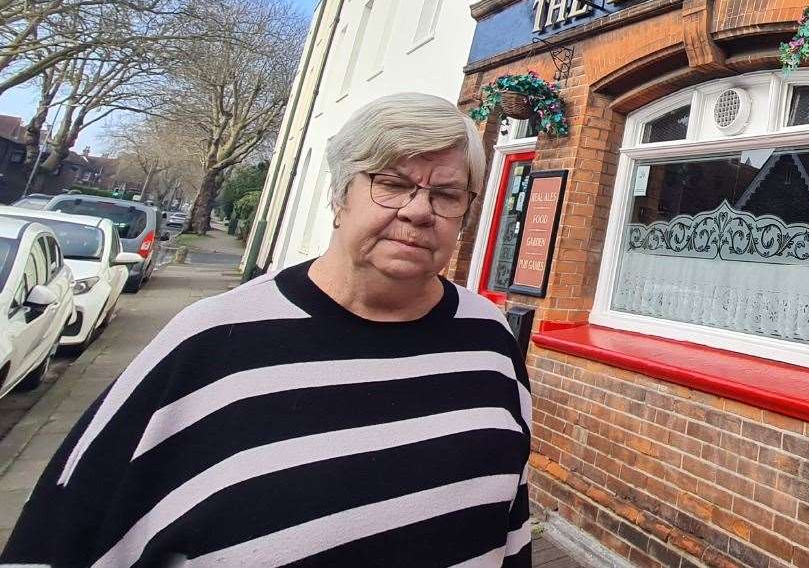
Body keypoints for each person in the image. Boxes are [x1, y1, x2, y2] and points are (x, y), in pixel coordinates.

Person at [2, 94, 532, 568]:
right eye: (391, 184)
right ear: (340, 196)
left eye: (446, 195)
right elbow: (64, 531)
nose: (419, 211)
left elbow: (512, 524)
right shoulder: (211, 340)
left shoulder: (491, 340)